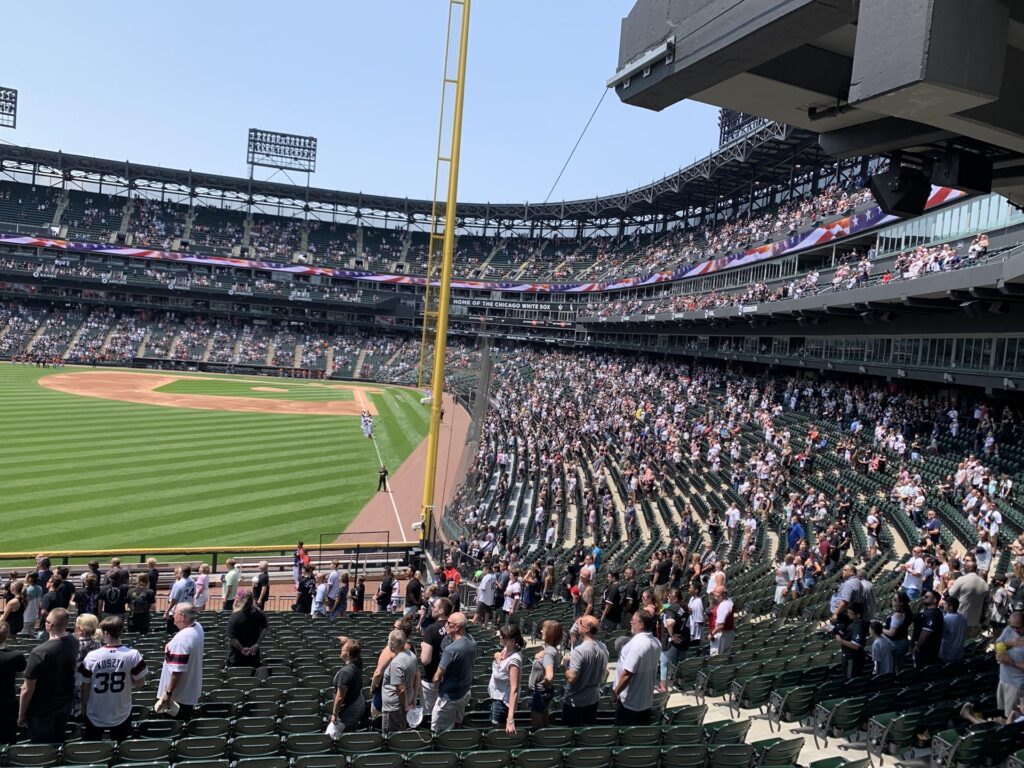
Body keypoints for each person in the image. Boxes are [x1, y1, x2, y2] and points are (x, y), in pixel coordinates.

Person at [79, 616, 148, 741]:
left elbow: (85, 686)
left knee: (95, 749)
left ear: (105, 633)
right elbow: (140, 682)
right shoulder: (133, 655)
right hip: (122, 711)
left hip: (95, 712)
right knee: (121, 747)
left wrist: (84, 706)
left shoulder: (92, 656)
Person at [18, 607, 78, 744]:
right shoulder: (74, 642)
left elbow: (27, 688)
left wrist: (21, 714)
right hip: (64, 704)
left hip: (42, 709)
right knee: (59, 741)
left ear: (50, 625)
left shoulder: (39, 652)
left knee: (42, 747)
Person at [430, 611, 477, 734]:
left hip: (449, 697)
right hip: (465, 692)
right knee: (457, 724)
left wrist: (436, 689)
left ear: (457, 627)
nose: (445, 625)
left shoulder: (450, 650)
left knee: (437, 731)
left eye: (449, 623)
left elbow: (437, 677)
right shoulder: (472, 643)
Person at [612, 610, 661, 725]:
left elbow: (627, 674)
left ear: (641, 625)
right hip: (645, 701)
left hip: (629, 703)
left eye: (633, 621)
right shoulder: (656, 642)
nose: (630, 623)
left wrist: (615, 693)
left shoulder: (636, 645)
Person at [156, 603, 204, 721]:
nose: (172, 615)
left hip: (178, 696)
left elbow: (177, 671)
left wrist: (168, 693)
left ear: (182, 617)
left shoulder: (183, 638)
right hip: (190, 691)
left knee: (173, 726)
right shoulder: (198, 627)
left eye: (175, 613)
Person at [562, 615, 608, 727]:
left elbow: (572, 678)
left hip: (575, 702)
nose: (578, 624)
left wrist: (565, 666)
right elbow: (604, 674)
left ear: (587, 629)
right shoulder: (603, 648)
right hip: (593, 699)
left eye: (580, 623)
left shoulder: (579, 651)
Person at [380, 629, 419, 733]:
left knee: (390, 738)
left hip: (394, 708)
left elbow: (401, 689)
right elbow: (417, 677)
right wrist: (414, 699)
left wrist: (406, 705)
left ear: (392, 644)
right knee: (402, 735)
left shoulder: (396, 663)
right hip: (406, 703)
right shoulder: (412, 655)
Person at [487, 624, 524, 734]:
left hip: (502, 704)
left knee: (497, 734)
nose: (500, 638)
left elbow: (514, 690)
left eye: (503, 637)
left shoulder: (514, 661)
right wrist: (497, 655)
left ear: (512, 641)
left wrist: (510, 718)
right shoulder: (507, 648)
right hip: (496, 698)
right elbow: (498, 654)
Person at [420, 598, 453, 715]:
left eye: (434, 606)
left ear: (441, 610)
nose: (432, 608)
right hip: (451, 680)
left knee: (429, 717)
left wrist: (423, 647)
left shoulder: (431, 629)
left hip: (432, 680)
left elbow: (425, 659)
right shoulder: (457, 628)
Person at [529, 620, 563, 729]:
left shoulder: (548, 653)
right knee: (544, 721)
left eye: (544, 629)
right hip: (544, 692)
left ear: (550, 633)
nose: (541, 630)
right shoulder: (552, 650)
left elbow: (549, 676)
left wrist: (544, 686)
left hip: (539, 692)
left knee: (537, 726)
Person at [331, 637, 366, 733]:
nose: (340, 649)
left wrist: (334, 714)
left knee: (333, 737)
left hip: (347, 711)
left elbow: (339, 697)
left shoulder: (345, 672)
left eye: (342, 648)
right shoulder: (358, 662)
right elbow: (356, 649)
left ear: (347, 653)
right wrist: (347, 640)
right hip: (357, 706)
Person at [226, 591, 267, 670]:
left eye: (237, 599)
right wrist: (257, 644)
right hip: (253, 655)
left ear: (240, 601)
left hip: (236, 659)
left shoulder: (234, 617)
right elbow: (264, 628)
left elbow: (231, 638)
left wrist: (241, 649)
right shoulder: (260, 614)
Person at [0, 622, 26, 745]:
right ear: (7, 636)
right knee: (8, 738)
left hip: (7, 702)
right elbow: (21, 668)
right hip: (7, 702)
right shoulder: (15, 656)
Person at [995, 610, 1024, 720]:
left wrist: (1011, 662)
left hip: (1017, 686)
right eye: (1013, 627)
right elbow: (997, 644)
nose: (1015, 630)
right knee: (1003, 714)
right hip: (1004, 680)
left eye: (1019, 627)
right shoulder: (1008, 630)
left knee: (1013, 719)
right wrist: (1009, 643)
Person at [659, 587, 689, 692]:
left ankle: (664, 688)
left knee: (664, 664)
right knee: (679, 664)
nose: (668, 598)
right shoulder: (685, 607)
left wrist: (672, 635)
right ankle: (679, 685)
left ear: (674, 597)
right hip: (683, 639)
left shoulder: (672, 608)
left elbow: (670, 623)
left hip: (672, 642)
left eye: (669, 596)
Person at [835, 603, 868, 679]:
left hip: (852, 657)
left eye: (851, 613)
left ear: (858, 615)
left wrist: (840, 640)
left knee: (850, 680)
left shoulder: (857, 626)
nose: (848, 614)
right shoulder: (855, 624)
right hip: (853, 656)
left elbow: (856, 646)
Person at [912, 589, 944, 668]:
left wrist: (918, 646)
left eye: (927, 597)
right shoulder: (927, 611)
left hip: (926, 649)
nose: (924, 598)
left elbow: (926, 632)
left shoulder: (933, 613)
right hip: (924, 648)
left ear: (934, 600)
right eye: (924, 596)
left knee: (922, 669)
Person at [166, 567, 196, 634]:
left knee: (172, 632)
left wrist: (167, 611)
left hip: (178, 611)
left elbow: (173, 600)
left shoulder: (178, 584)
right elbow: (194, 594)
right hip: (188, 609)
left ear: (182, 573)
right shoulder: (193, 582)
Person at [939, 594, 966, 664]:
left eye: (945, 604)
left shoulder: (946, 619)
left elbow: (941, 634)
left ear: (951, 607)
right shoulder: (962, 617)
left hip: (947, 653)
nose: (943, 605)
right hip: (959, 653)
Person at [709, 587, 735, 656]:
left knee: (716, 658)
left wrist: (711, 634)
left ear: (723, 595)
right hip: (728, 633)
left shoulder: (723, 606)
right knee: (725, 656)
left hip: (721, 635)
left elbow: (720, 626)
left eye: (717, 592)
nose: (714, 593)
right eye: (714, 591)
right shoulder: (728, 601)